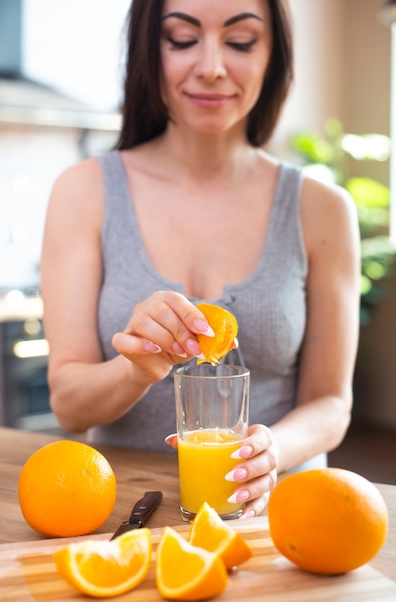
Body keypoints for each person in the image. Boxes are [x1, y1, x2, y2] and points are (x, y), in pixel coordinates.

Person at [40, 0, 360, 518]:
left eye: (240, 41)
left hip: (280, 518)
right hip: (124, 517)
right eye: (182, 39)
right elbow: (69, 406)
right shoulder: (84, 193)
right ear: (149, 52)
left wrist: (269, 452)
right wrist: (135, 369)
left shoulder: (321, 210)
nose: (212, 66)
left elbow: (331, 403)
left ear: (272, 57)